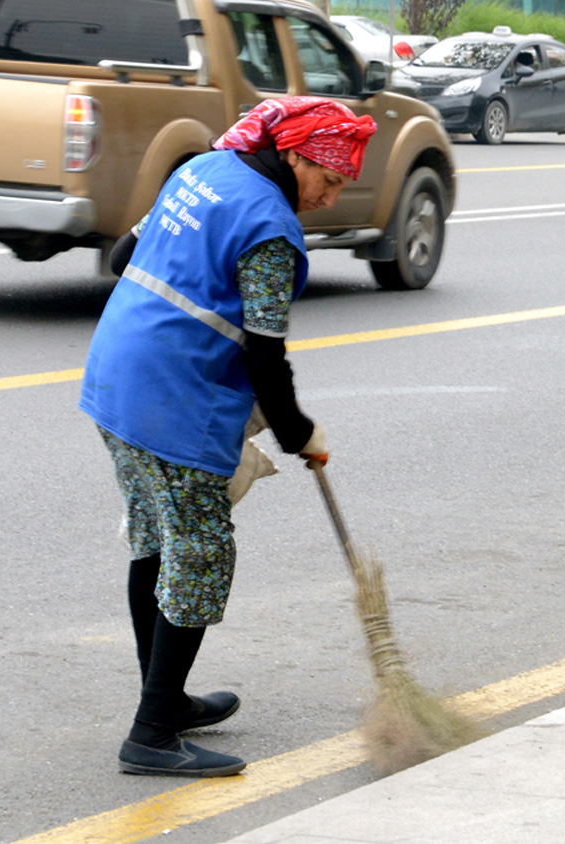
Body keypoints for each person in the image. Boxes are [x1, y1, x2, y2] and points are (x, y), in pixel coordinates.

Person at [80, 97, 377, 778]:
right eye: (328, 181)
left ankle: (167, 700)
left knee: (158, 538)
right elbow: (264, 359)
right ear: (299, 157)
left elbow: (126, 251)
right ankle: (152, 734)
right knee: (203, 555)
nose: (329, 199)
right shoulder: (271, 229)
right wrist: (301, 432)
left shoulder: (204, 170)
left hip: (115, 376)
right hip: (171, 399)